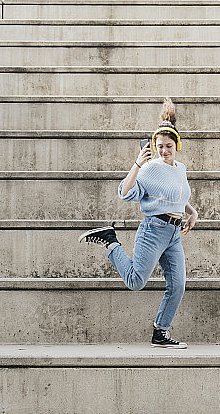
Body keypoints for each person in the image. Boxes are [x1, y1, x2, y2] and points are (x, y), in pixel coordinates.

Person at [79, 97, 198, 348]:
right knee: (136, 282)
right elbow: (124, 192)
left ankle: (160, 333)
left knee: (177, 286)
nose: (164, 150)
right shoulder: (149, 168)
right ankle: (110, 242)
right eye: (159, 146)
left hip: (174, 234)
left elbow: (177, 197)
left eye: (168, 146)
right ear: (153, 147)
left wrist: (192, 212)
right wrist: (137, 164)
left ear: (176, 145)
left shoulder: (181, 168)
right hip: (153, 230)